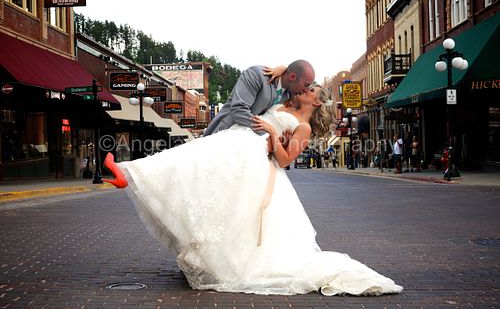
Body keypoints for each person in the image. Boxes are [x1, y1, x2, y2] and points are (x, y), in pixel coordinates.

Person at [103, 81, 403, 297]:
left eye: (311, 89)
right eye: (305, 85)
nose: (305, 89)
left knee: (199, 167)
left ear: (317, 101)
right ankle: (129, 173)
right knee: (194, 163)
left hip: (256, 161)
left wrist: (272, 132)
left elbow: (284, 160)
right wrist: (283, 71)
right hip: (239, 144)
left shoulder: (304, 126)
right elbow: (288, 74)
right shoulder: (285, 102)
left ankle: (129, 173)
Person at [203, 60, 315, 136]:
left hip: (251, 146)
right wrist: (269, 134)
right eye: (306, 85)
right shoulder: (256, 75)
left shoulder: (288, 95)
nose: (306, 89)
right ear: (292, 76)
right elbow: (238, 110)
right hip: (225, 134)